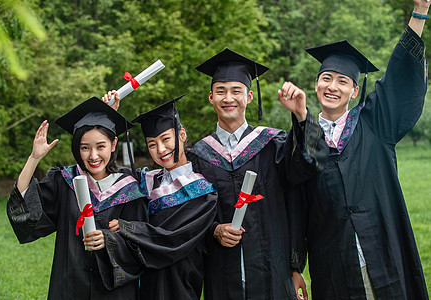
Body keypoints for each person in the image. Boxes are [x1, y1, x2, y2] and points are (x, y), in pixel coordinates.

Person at [287, 0, 430, 299]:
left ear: (354, 91)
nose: (333, 86)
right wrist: (295, 265)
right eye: (326, 78)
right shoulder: (303, 136)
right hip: (333, 260)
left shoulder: (375, 123)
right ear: (316, 84)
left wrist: (419, 12)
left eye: (343, 81)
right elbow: (297, 204)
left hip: (383, 251)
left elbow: (400, 79)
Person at [188, 49, 328, 299]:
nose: (228, 98)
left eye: (236, 91)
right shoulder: (199, 155)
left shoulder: (272, 144)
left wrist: (301, 115)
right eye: (220, 91)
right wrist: (215, 229)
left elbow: (307, 167)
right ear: (211, 97)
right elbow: (190, 214)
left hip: (271, 270)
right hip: (222, 274)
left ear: (249, 96)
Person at [7, 97, 148, 299]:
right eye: (85, 148)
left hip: (115, 291)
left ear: (113, 143)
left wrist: (109, 239)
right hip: (71, 286)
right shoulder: (64, 182)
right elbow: (26, 212)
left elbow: (141, 241)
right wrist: (34, 158)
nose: (93, 156)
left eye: (100, 146)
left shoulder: (130, 188)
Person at [103, 93, 217, 299]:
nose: (161, 150)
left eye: (166, 139)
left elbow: (174, 239)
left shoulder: (202, 193)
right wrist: (108, 118)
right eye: (152, 144)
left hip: (178, 281)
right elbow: (106, 169)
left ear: (182, 135)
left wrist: (128, 229)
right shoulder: (145, 180)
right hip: (141, 279)